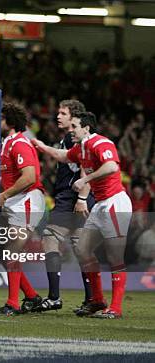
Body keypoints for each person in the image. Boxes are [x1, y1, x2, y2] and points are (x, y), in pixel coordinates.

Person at [33, 112, 132, 319]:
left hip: (115, 202)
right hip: (100, 204)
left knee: (115, 256)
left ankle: (116, 308)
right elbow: (62, 155)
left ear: (86, 128)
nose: (71, 130)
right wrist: (42, 146)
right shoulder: (81, 148)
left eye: (75, 126)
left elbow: (112, 166)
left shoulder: (100, 143)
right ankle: (96, 300)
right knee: (82, 249)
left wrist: (86, 180)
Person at [34, 100, 95, 313]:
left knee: (50, 239)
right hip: (76, 196)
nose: (58, 116)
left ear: (73, 116)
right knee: (81, 248)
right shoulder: (70, 139)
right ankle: (91, 299)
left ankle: (54, 297)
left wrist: (81, 198)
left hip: (71, 197)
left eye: (63, 113)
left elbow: (85, 168)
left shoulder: (72, 138)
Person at [0, 102, 46, 316]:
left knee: (11, 251)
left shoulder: (20, 144)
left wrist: (4, 195)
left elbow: (30, 177)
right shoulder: (6, 143)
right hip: (14, 201)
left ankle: (13, 303)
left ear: (9, 121)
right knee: (2, 251)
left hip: (26, 201)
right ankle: (32, 296)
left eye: (0, 118)